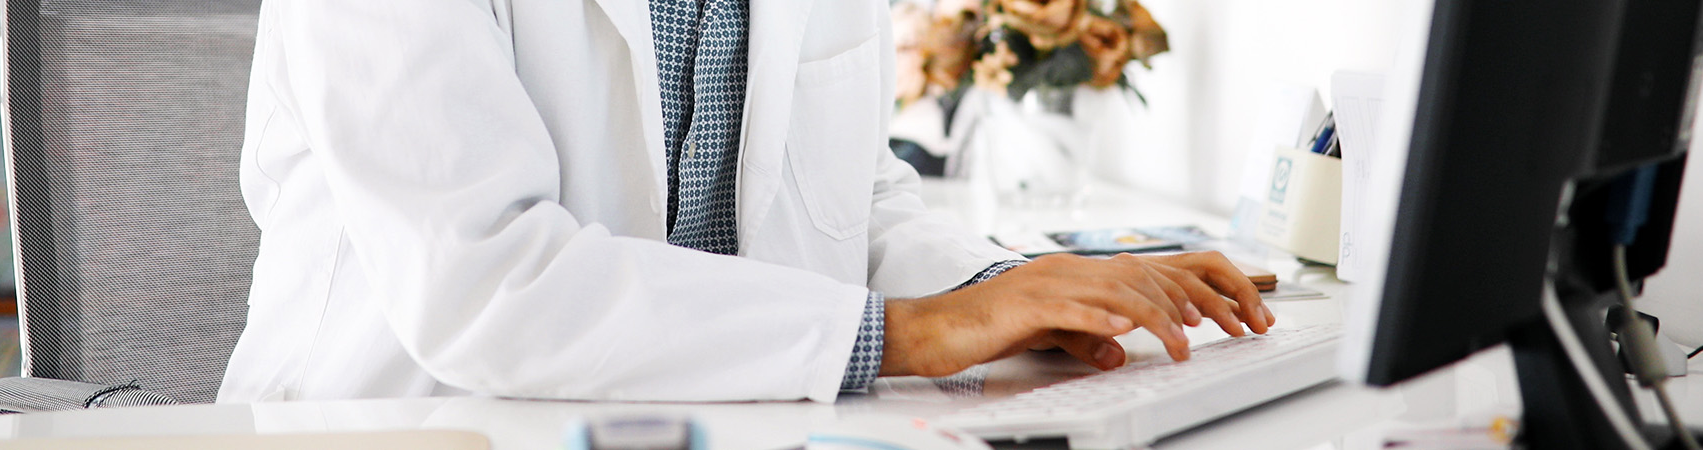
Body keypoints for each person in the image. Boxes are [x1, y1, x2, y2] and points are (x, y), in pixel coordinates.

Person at [217, 0, 1275, 404]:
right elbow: (489, 285)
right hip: (407, 422)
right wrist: (909, 332)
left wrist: (1017, 290)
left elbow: (856, 198)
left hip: (717, 421)